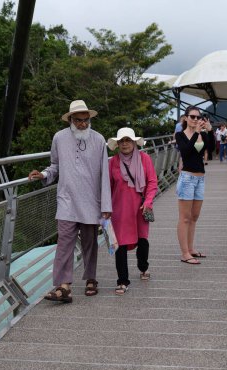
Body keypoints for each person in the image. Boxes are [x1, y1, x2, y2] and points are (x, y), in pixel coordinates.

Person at [28, 100, 112, 303]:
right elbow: (55, 165)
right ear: (70, 120)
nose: (83, 124)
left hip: (91, 199)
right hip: (66, 198)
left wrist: (106, 205)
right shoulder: (59, 138)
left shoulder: (99, 140)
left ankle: (91, 278)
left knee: (90, 242)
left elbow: (104, 174)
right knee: (64, 242)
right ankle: (63, 286)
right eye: (78, 120)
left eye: (86, 120)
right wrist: (43, 175)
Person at [107, 128, 158, 295]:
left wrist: (148, 201)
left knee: (142, 241)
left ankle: (143, 266)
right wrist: (105, 209)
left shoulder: (144, 159)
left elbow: (152, 182)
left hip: (141, 208)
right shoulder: (113, 162)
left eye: (128, 140)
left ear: (134, 142)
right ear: (118, 144)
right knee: (120, 245)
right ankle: (122, 281)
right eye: (122, 141)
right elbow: (107, 187)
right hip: (120, 210)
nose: (125, 143)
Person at [175, 106, 211, 264]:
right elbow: (186, 151)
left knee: (194, 217)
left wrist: (208, 132)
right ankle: (184, 253)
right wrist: (196, 132)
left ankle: (191, 249)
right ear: (186, 118)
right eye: (192, 116)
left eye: (198, 117)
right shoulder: (180, 135)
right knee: (185, 218)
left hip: (200, 178)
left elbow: (210, 149)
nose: (196, 119)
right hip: (187, 178)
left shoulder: (202, 134)